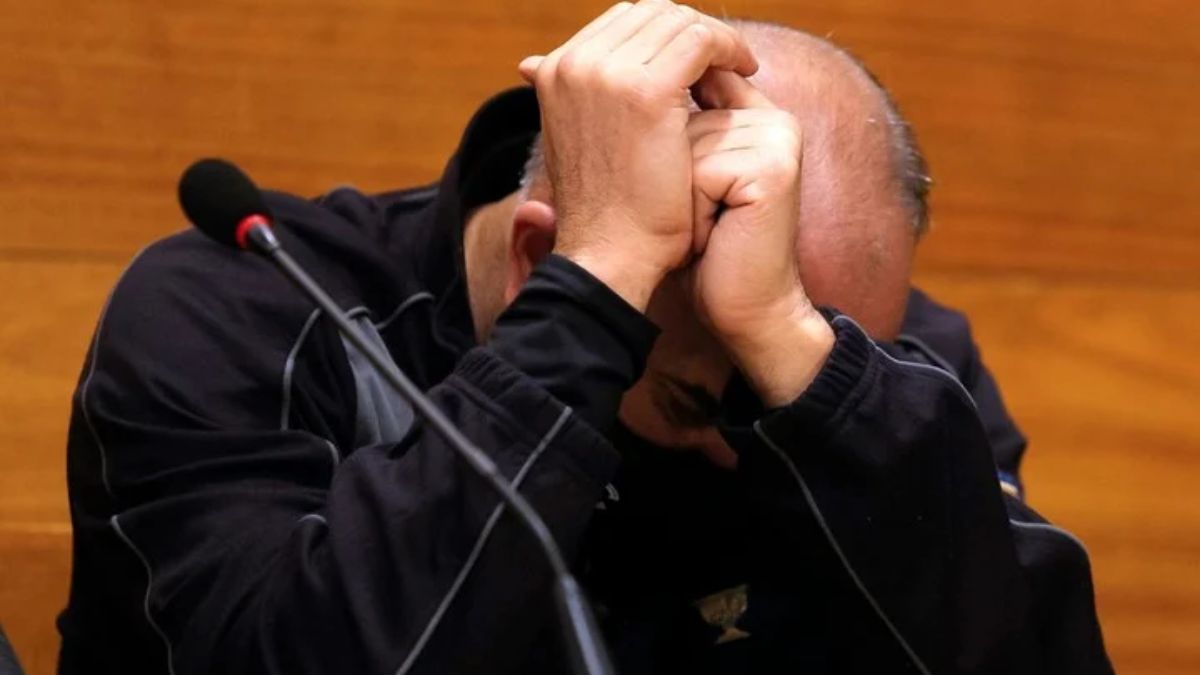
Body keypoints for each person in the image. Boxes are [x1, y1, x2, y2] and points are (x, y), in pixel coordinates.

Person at [58, 2, 1110, 674]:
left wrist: (802, 363)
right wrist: (590, 297)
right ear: (534, 264)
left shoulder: (870, 368)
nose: (742, 448)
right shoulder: (240, 313)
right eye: (710, 400)